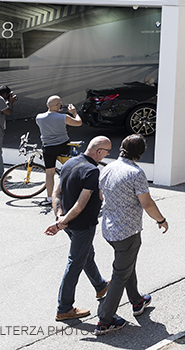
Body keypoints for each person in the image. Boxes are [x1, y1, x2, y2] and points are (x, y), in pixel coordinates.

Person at [95, 134, 168, 336]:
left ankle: (137, 301)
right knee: (120, 274)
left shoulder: (107, 168)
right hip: (127, 231)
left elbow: (102, 196)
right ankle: (105, 320)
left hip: (108, 229)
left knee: (126, 265)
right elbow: (147, 203)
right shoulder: (136, 173)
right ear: (140, 152)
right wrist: (161, 220)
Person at [46, 136, 112, 322]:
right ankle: (64, 308)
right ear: (99, 152)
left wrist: (59, 216)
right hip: (82, 224)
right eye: (107, 152)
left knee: (86, 254)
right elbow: (80, 205)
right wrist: (60, 223)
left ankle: (100, 286)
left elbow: (56, 192)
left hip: (68, 222)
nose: (108, 155)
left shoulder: (70, 162)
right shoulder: (92, 171)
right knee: (75, 263)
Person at [36, 95, 83, 207]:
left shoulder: (39, 117)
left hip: (48, 147)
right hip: (63, 146)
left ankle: (49, 198)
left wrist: (55, 111)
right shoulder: (63, 117)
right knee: (69, 170)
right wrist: (74, 112)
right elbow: (78, 122)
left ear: (47, 105)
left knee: (49, 173)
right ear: (59, 105)